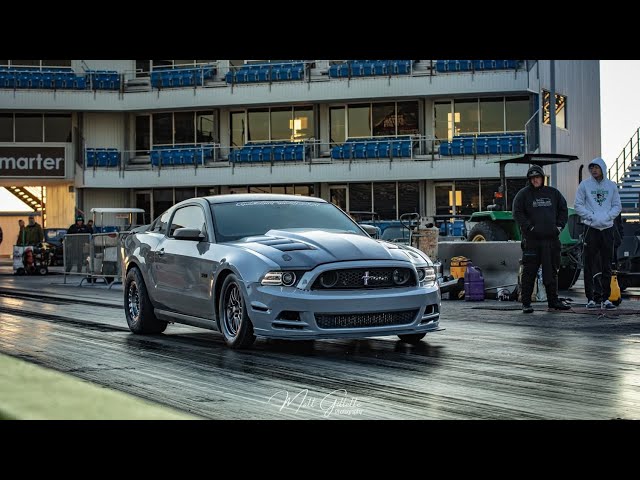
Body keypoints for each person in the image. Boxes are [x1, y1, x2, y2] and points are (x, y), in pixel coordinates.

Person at [513, 165, 571, 313]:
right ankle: (526, 303)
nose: (535, 180)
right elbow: (517, 212)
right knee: (529, 273)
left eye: (537, 177)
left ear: (542, 178)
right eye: (532, 178)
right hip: (532, 241)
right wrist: (529, 227)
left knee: (551, 272)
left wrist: (559, 226)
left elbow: (564, 209)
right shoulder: (523, 194)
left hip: (551, 241)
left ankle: (553, 302)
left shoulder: (553, 193)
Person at [574, 157, 622, 309]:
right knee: (589, 264)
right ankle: (591, 298)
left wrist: (608, 217)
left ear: (603, 168)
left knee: (607, 264)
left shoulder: (611, 186)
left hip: (607, 229)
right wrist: (591, 216)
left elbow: (617, 206)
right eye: (592, 168)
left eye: (597, 167)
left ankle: (606, 298)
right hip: (591, 228)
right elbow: (578, 205)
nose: (594, 170)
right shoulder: (585, 185)